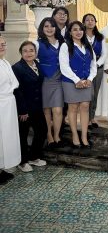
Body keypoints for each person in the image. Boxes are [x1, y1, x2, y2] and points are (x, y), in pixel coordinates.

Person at [60, 21, 97, 148]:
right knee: (73, 108)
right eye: (75, 29)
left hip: (86, 81)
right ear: (70, 32)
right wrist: (76, 80)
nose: (78, 32)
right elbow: (64, 66)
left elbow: (93, 65)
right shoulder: (65, 46)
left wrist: (90, 78)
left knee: (85, 106)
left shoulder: (88, 46)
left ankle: (84, 136)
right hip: (70, 82)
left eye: (80, 29)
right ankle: (75, 135)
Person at [12, 41, 48, 173]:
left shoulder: (37, 64)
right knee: (23, 135)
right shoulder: (17, 68)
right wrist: (22, 110)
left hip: (37, 106)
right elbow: (17, 91)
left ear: (35, 52)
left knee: (42, 130)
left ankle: (34, 157)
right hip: (24, 109)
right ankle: (22, 161)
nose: (28, 53)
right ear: (21, 53)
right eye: (25, 51)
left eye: (31, 50)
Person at [35, 17, 64, 147]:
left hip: (59, 79)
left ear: (55, 28)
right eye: (46, 26)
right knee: (46, 110)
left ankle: (57, 135)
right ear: (42, 28)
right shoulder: (37, 43)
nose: (49, 29)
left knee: (57, 110)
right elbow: (31, 59)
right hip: (45, 79)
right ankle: (49, 135)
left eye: (52, 26)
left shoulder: (62, 42)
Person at [0, 35, 21, 184]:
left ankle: (2, 167)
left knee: (6, 137)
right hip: (1, 104)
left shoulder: (5, 62)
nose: (2, 47)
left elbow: (14, 83)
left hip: (8, 104)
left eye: (3, 44)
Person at [83, 13, 107, 129]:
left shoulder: (100, 37)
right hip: (84, 68)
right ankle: (85, 118)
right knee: (88, 94)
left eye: (92, 20)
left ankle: (91, 118)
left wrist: (97, 64)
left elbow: (104, 54)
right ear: (84, 22)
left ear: (95, 22)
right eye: (87, 20)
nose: (90, 22)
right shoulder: (80, 36)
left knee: (95, 94)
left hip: (98, 67)